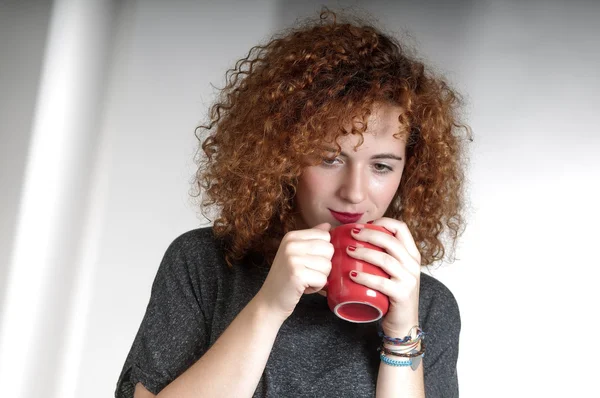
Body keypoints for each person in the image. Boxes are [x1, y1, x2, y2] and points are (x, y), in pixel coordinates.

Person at [116, 8, 471, 398]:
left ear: (411, 170)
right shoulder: (203, 264)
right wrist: (269, 306)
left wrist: (401, 334)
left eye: (382, 165)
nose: (354, 192)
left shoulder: (429, 306)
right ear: (283, 155)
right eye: (330, 159)